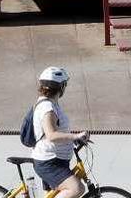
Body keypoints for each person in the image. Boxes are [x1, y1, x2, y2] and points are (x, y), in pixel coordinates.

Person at [31, 67, 90, 198]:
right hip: (49, 162)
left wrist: (74, 139)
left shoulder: (51, 104)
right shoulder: (47, 107)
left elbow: (57, 131)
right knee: (77, 188)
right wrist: (75, 136)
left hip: (56, 160)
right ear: (61, 86)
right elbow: (51, 135)